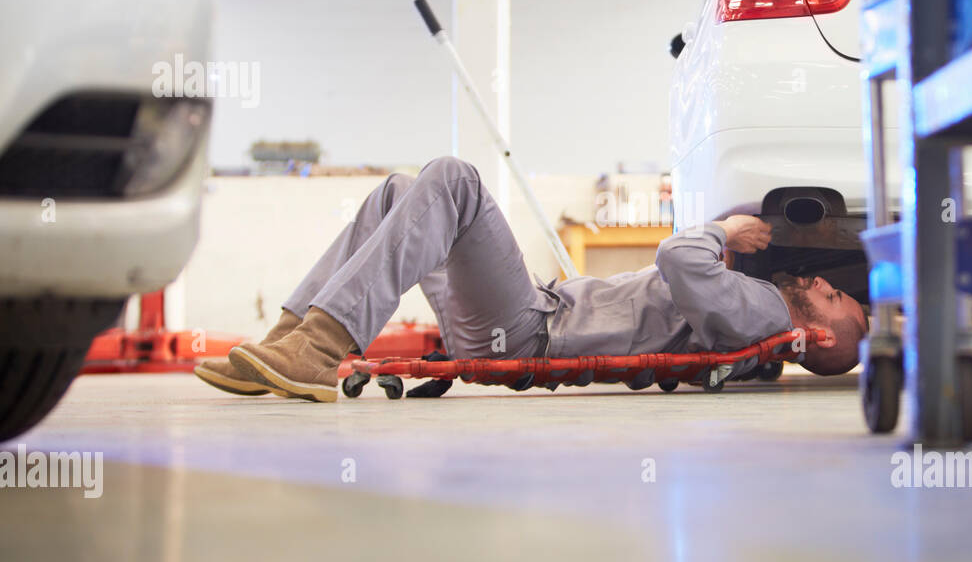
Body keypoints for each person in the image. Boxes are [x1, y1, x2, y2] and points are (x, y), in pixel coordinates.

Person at [195, 157, 867, 402]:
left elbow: (677, 258)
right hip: (522, 324)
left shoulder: (768, 316)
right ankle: (292, 339)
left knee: (454, 179)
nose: (826, 285)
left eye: (839, 304)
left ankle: (315, 348)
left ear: (820, 338)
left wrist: (722, 230)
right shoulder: (762, 313)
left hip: (527, 333)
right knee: (403, 189)